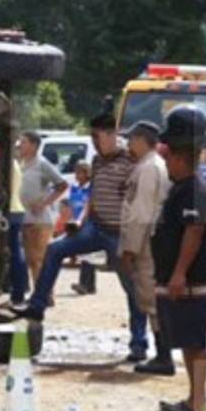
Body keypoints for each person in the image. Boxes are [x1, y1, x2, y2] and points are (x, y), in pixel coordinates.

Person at [18, 113, 148, 363]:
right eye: (93, 138)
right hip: (95, 227)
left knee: (132, 287)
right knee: (55, 250)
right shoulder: (97, 161)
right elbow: (93, 195)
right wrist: (80, 220)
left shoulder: (130, 161)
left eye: (97, 138)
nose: (95, 143)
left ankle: (139, 343)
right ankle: (37, 306)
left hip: (120, 233)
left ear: (111, 135)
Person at [154, 105, 206, 411]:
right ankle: (195, 396)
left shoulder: (193, 190)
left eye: (168, 159)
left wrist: (179, 274)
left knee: (194, 342)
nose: (166, 164)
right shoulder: (184, 188)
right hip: (183, 279)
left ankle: (197, 400)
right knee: (189, 343)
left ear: (179, 157)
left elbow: (194, 231)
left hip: (192, 281)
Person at [118, 120, 173, 375]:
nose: (128, 144)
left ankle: (164, 356)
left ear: (142, 140)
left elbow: (141, 212)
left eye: (131, 140)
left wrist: (129, 249)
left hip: (147, 243)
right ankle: (162, 354)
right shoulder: (151, 165)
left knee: (151, 300)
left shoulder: (149, 167)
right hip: (151, 240)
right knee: (152, 300)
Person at [16, 132, 68, 303]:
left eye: (24, 142)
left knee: (39, 259)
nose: (20, 145)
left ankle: (44, 295)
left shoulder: (42, 164)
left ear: (33, 145)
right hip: (24, 217)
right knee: (30, 259)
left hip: (40, 220)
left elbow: (62, 185)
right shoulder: (20, 163)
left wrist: (44, 203)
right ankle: (38, 293)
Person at [61, 161, 91, 272]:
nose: (77, 176)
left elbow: (87, 204)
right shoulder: (74, 187)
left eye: (79, 173)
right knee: (71, 233)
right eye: (76, 173)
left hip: (86, 217)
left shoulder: (90, 188)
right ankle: (73, 257)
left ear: (86, 173)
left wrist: (81, 219)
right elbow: (69, 201)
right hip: (74, 216)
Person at [7, 158, 28, 305]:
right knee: (17, 251)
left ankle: (18, 292)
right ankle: (20, 290)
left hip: (11, 210)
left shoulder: (8, 163)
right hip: (17, 209)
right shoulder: (15, 163)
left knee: (15, 252)